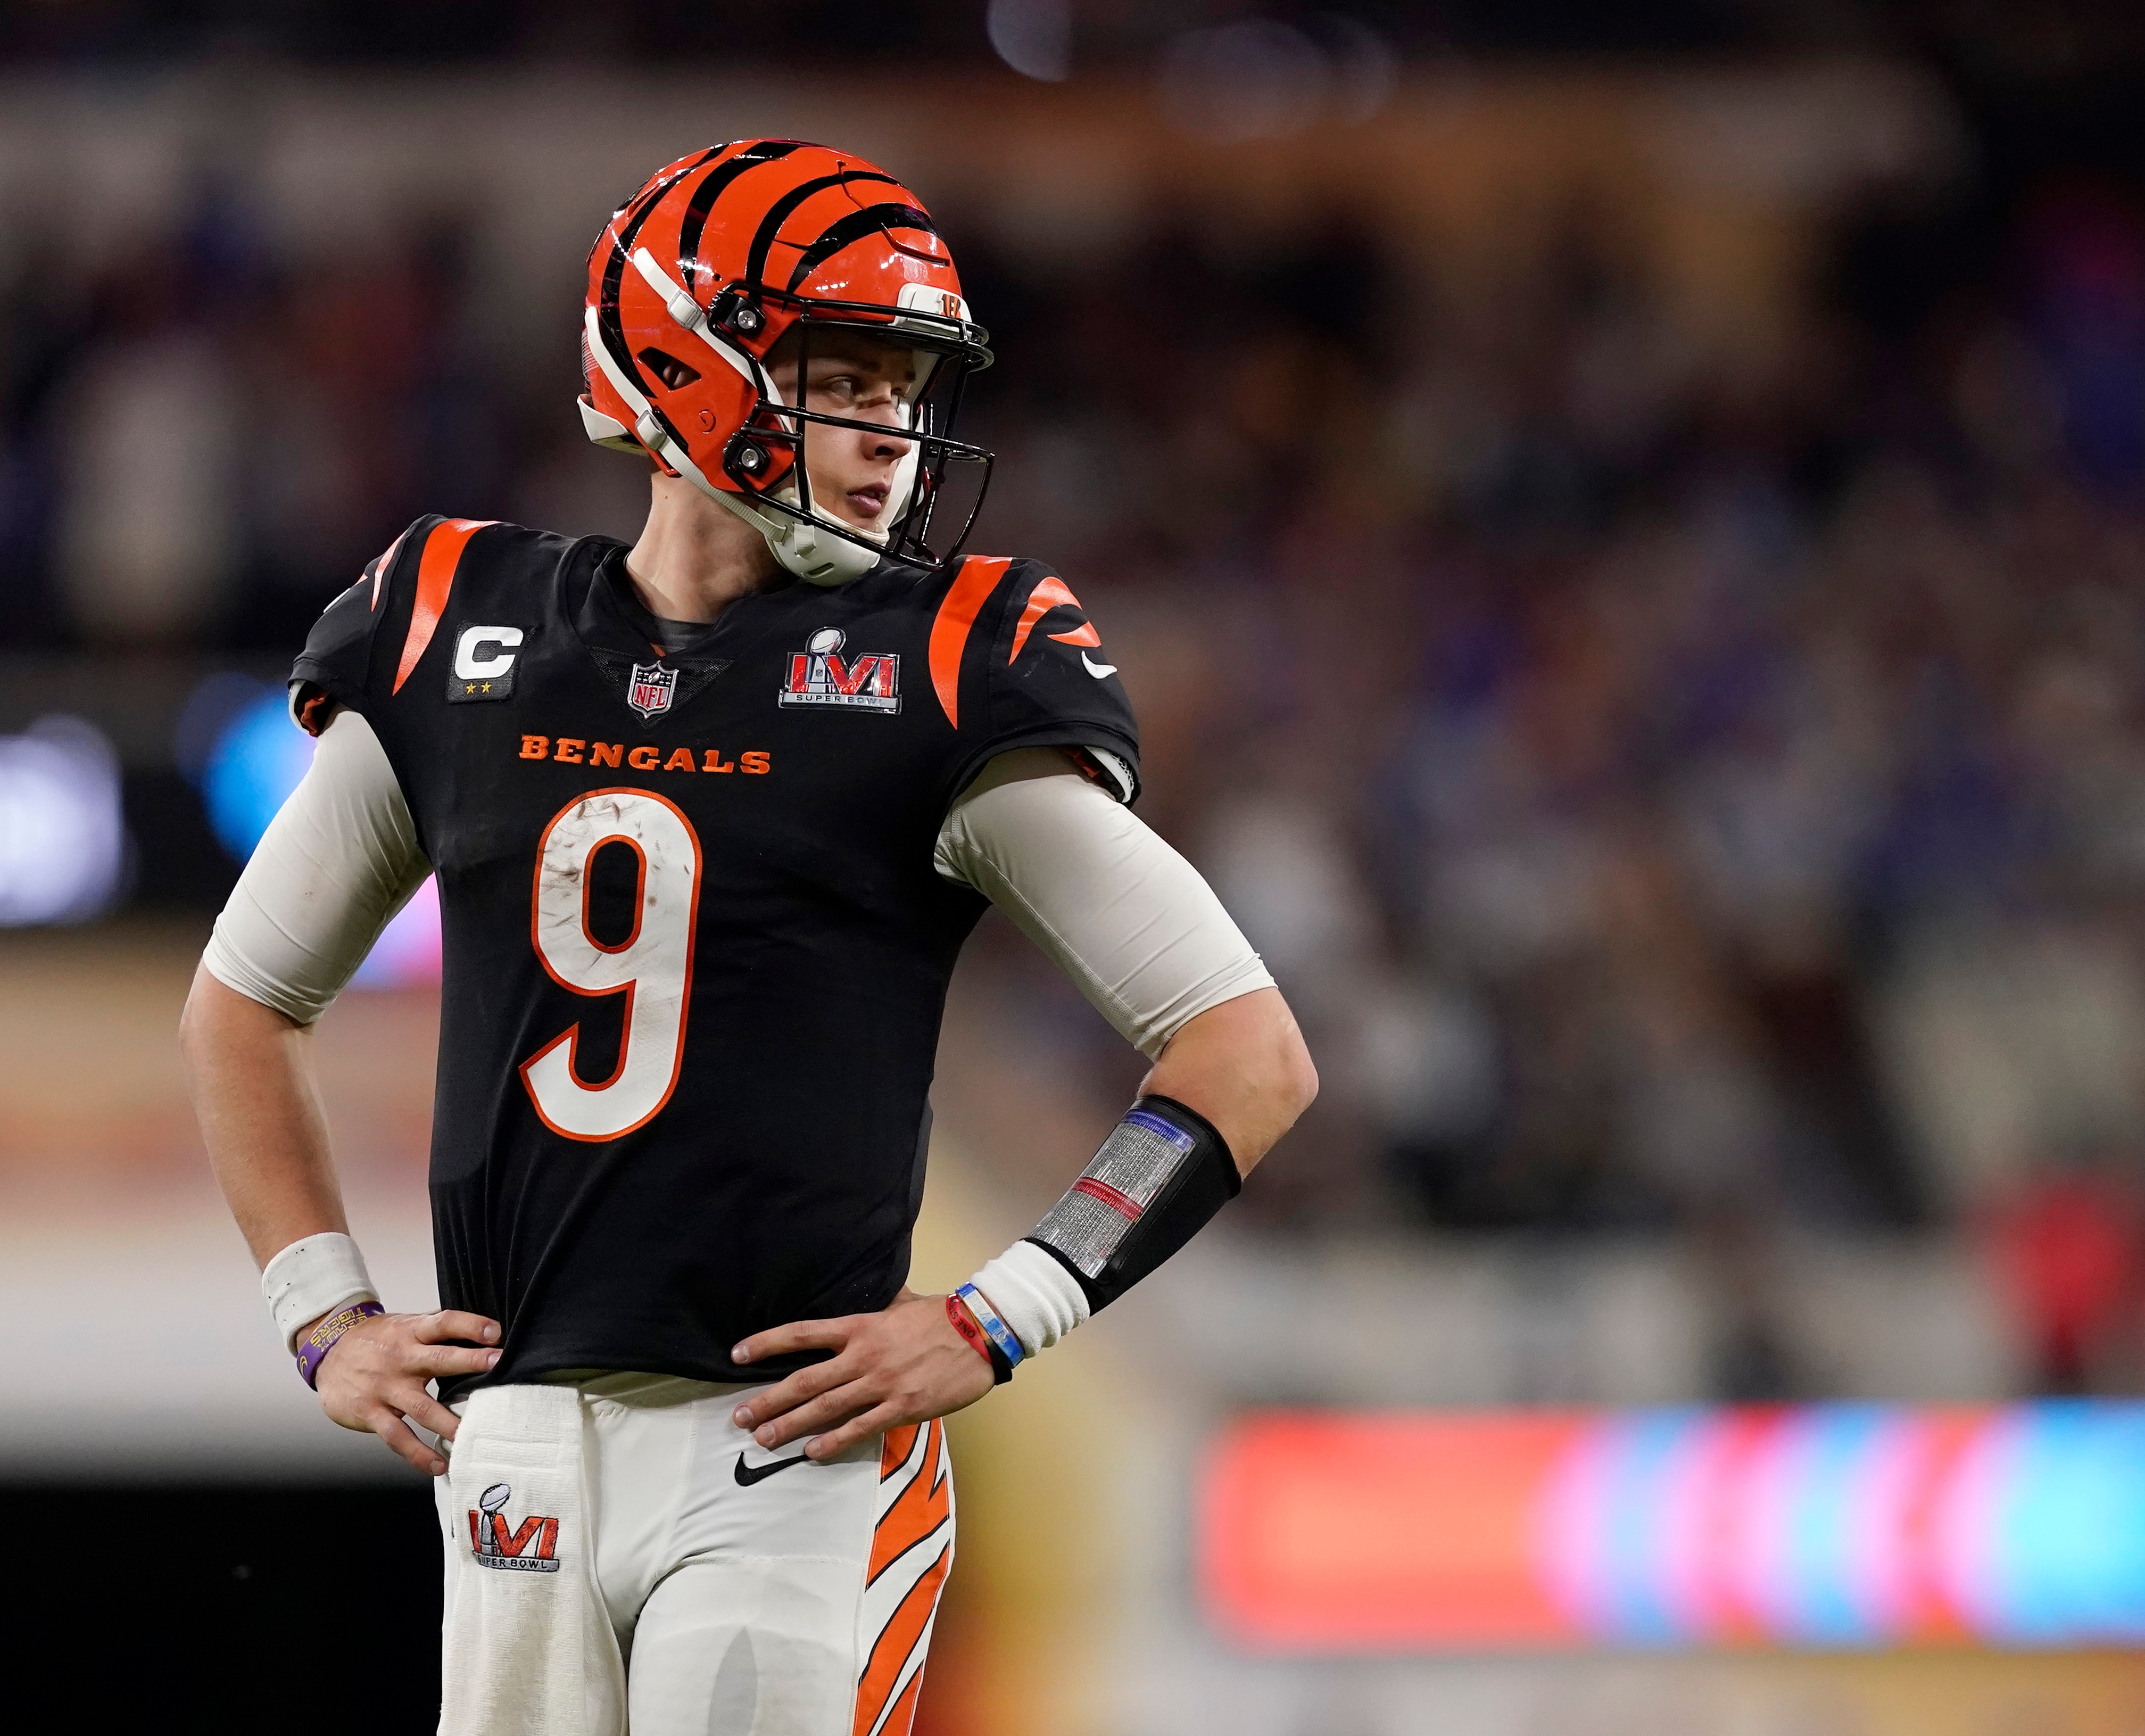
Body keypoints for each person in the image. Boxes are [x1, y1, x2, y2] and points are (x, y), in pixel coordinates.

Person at [178, 137, 1315, 1735]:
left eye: (909, 392)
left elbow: (1246, 1049)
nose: (892, 440)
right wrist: (324, 1317)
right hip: (517, 1443)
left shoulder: (941, 669)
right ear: (685, 359)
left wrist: (1006, 1312)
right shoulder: (457, 627)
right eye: (847, 379)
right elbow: (241, 1004)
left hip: (791, 1456)